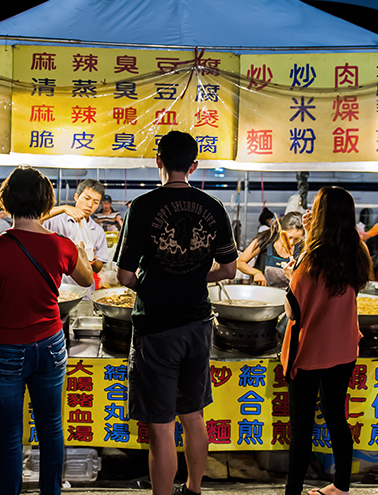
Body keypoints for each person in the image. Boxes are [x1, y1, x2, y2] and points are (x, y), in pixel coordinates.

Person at [115, 131, 237, 495]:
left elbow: (124, 275)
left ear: (159, 161)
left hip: (157, 327)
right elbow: (229, 270)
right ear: (194, 166)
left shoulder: (141, 206)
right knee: (194, 416)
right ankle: (194, 489)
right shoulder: (214, 206)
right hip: (198, 324)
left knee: (161, 427)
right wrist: (197, 279)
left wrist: (154, 287)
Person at [0, 167, 93, 495]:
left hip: (7, 349)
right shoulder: (61, 245)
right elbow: (86, 279)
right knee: (51, 429)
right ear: (46, 201)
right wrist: (79, 253)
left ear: (7, 201)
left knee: (10, 437)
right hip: (51, 345)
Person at [281, 186, 371, 495]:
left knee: (301, 429)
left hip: (308, 352)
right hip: (343, 348)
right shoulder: (358, 252)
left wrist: (293, 270)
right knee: (337, 419)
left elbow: (293, 310)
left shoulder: (311, 260)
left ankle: (293, 491)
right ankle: (341, 488)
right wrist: (309, 237)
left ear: (319, 215)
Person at [42, 179, 108, 292]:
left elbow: (98, 267)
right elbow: (34, 219)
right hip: (55, 288)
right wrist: (62, 208)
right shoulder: (54, 220)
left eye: (96, 202)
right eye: (87, 198)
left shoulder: (97, 230)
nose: (90, 205)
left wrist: (93, 261)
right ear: (76, 197)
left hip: (84, 292)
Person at [237, 212, 304, 288]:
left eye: (297, 239)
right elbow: (240, 263)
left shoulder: (301, 249)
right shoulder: (265, 240)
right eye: (289, 237)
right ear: (280, 230)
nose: (292, 242)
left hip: (285, 297)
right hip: (261, 294)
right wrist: (256, 272)